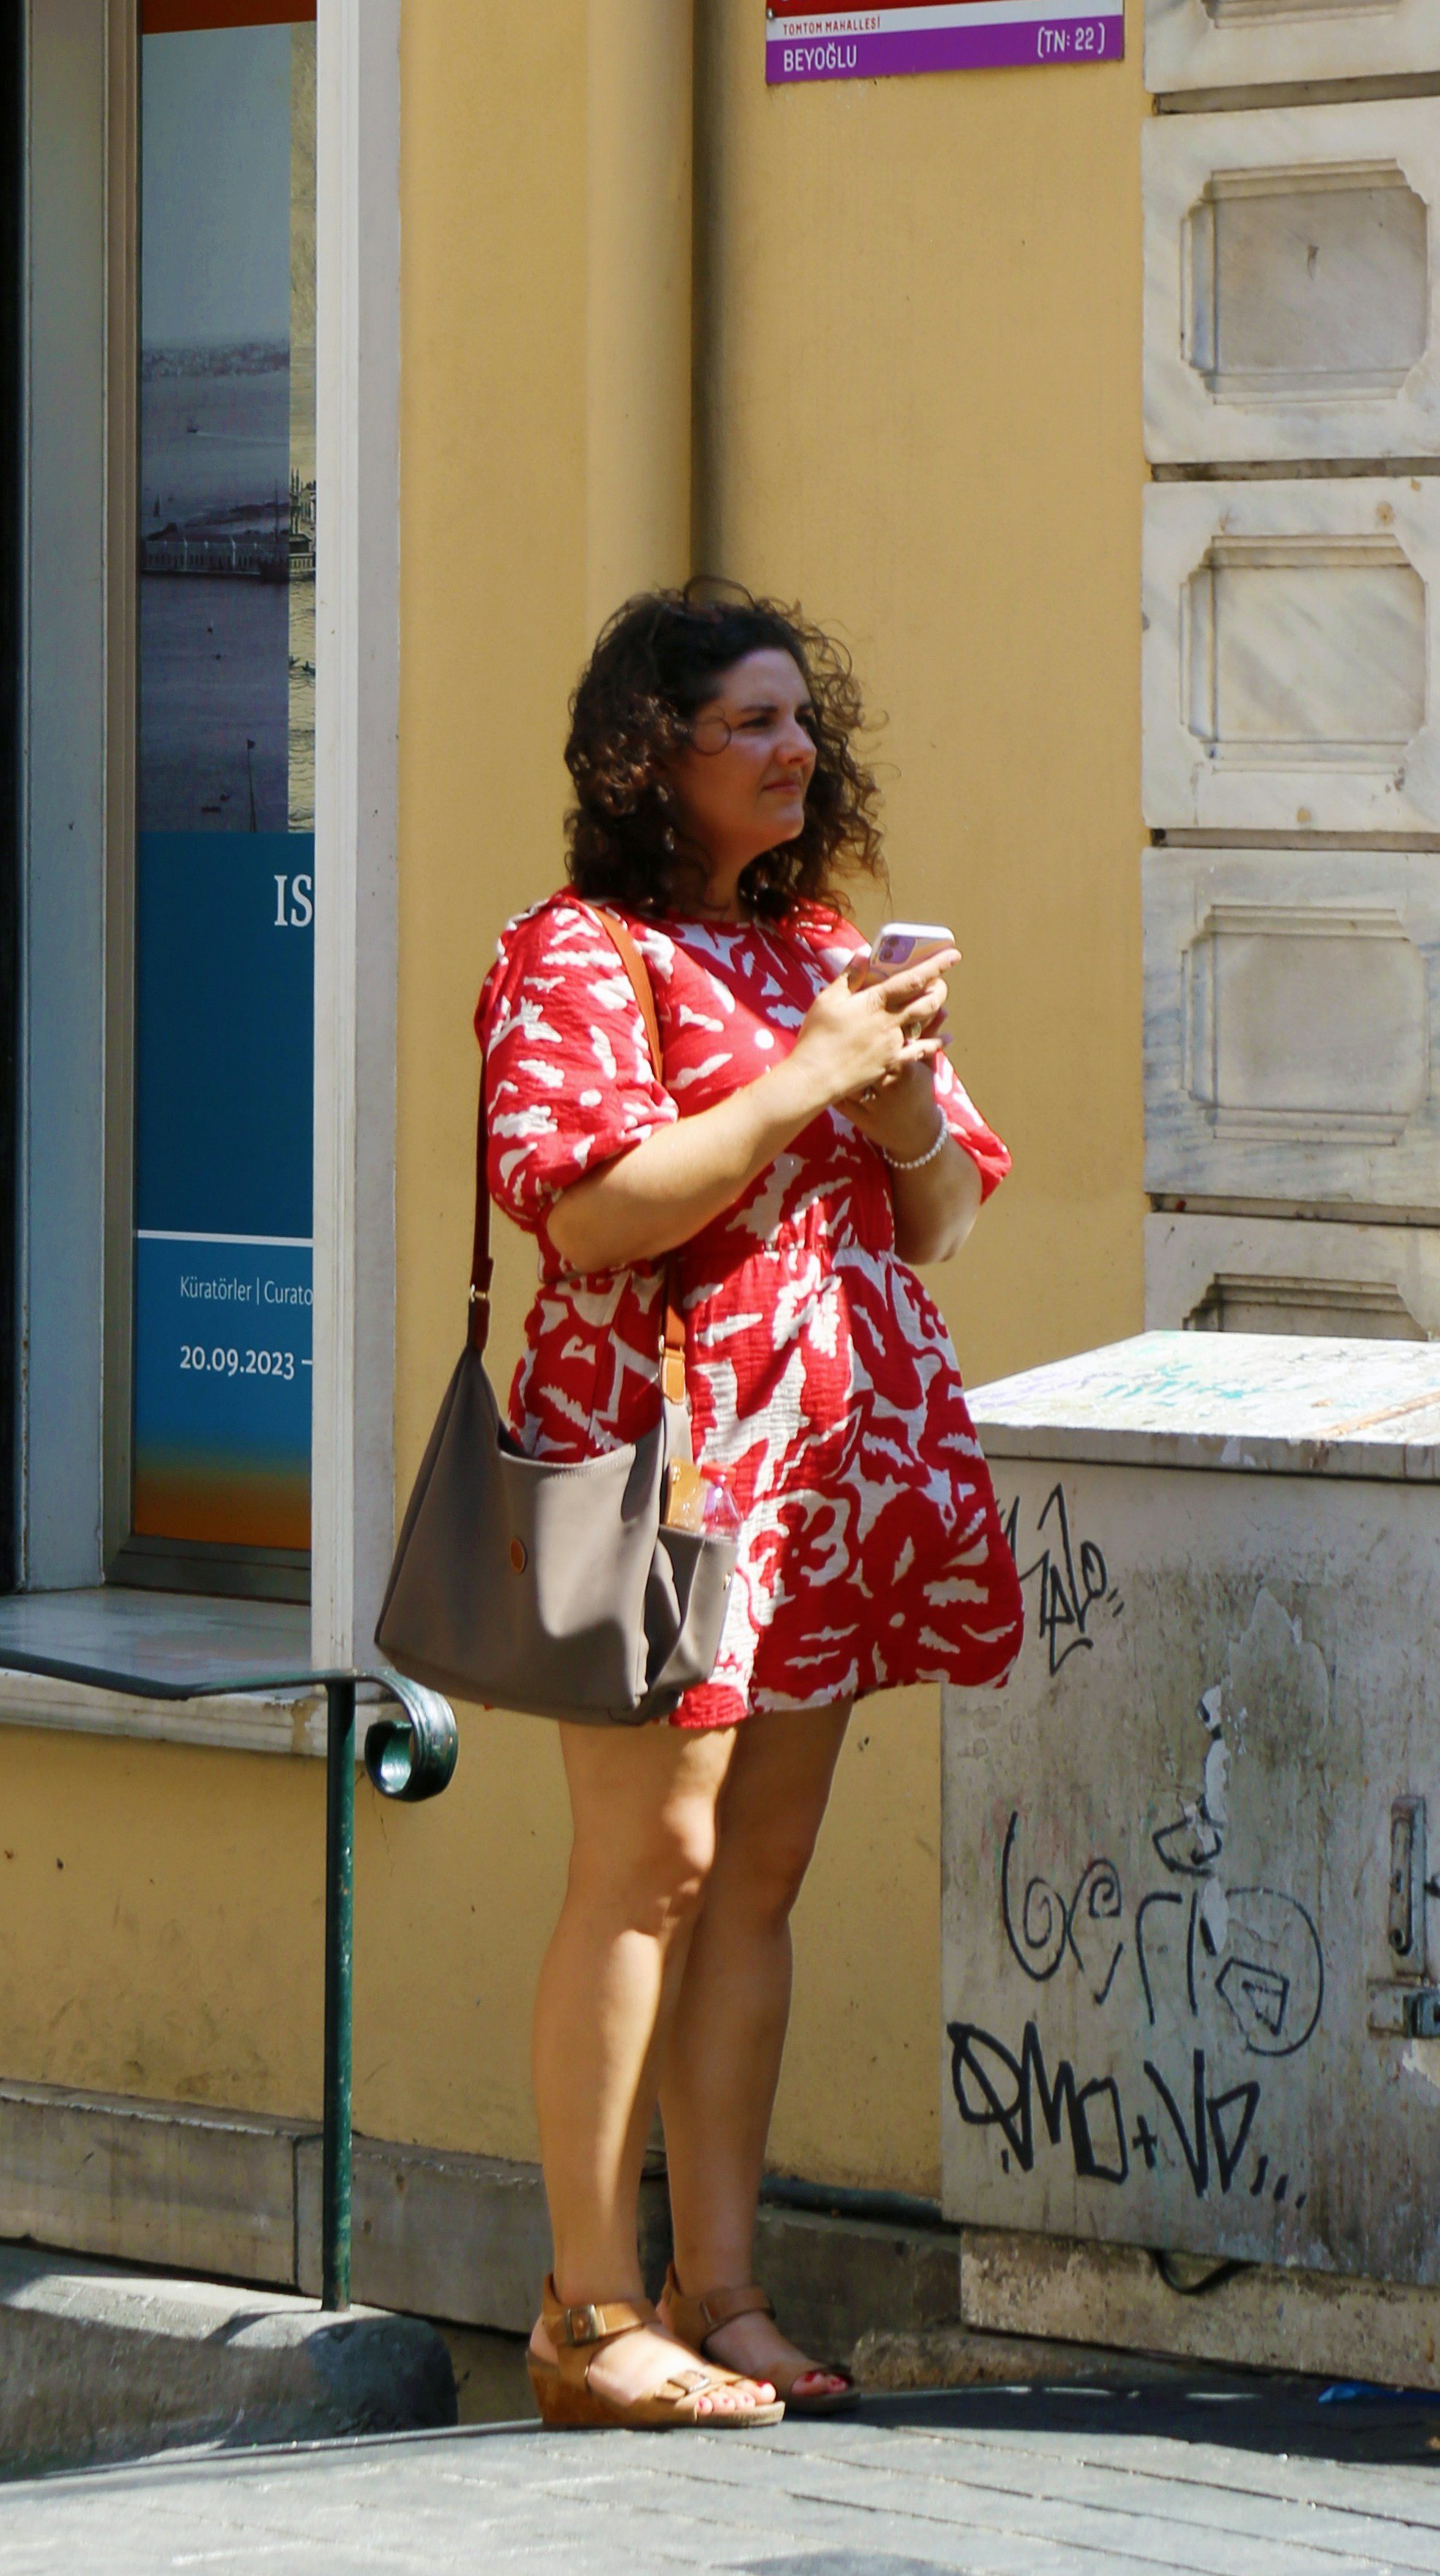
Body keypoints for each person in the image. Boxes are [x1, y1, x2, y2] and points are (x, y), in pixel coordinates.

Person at [483, 587, 1024, 2434]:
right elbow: (588, 1212)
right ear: (659, 754)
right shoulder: (576, 955)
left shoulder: (823, 948)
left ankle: (724, 2295)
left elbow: (943, 1221)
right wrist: (809, 1078)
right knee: (655, 1869)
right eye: (753, 723)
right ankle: (585, 2310)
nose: (797, 750)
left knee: (758, 1883)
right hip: (664, 1470)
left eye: (805, 720)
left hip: (823, 1477)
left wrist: (895, 1103)